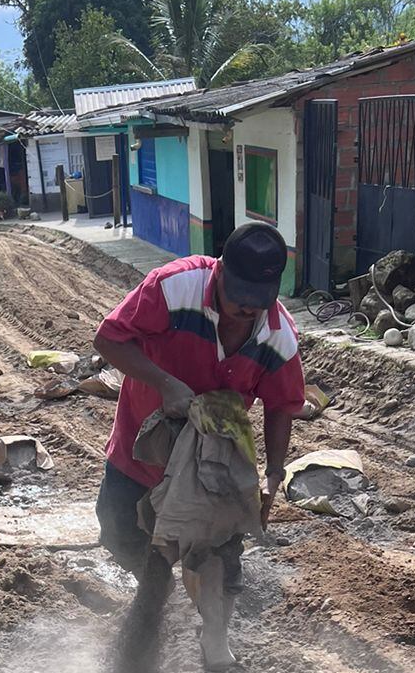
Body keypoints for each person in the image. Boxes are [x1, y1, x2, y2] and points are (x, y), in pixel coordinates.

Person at [93, 224, 306, 579]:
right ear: (219, 270)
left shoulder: (279, 337)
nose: (248, 308)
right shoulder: (173, 287)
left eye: (259, 299)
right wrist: (164, 384)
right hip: (142, 443)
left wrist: (273, 474)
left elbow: (281, 406)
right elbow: (108, 339)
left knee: (219, 554)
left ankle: (217, 615)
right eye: (240, 295)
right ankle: (153, 582)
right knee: (119, 529)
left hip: (217, 457)